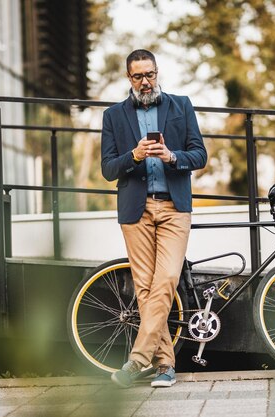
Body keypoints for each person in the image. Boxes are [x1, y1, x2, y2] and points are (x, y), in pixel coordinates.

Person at [101, 49, 207, 388]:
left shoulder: (181, 105)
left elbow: (200, 154)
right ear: (128, 78)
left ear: (157, 72)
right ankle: (165, 366)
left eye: (150, 74)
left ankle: (137, 360)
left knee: (165, 282)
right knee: (145, 289)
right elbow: (107, 169)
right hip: (136, 209)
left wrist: (172, 156)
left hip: (175, 207)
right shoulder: (113, 116)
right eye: (138, 76)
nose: (145, 82)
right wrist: (133, 156)